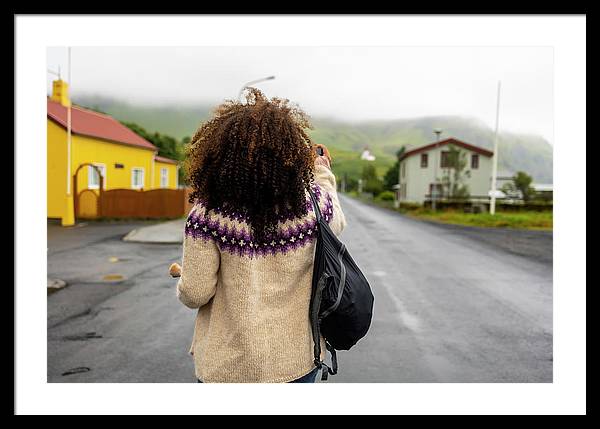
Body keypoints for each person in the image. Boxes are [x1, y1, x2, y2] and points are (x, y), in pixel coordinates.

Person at [170, 88, 346, 383]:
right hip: (297, 363)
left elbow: (195, 293)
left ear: (220, 155)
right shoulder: (313, 207)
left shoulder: (207, 215)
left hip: (226, 368)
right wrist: (322, 171)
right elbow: (336, 217)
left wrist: (185, 278)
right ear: (290, 155)